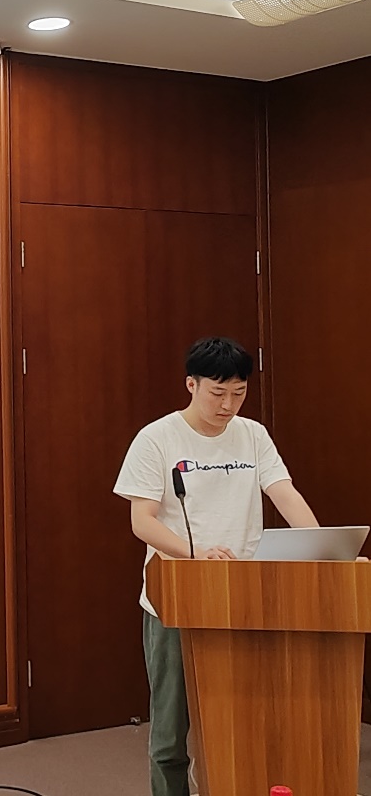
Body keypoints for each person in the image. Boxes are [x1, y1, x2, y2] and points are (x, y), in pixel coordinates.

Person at [113, 336, 318, 796]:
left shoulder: (253, 435)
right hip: (176, 599)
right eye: (218, 393)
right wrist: (197, 552)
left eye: (239, 393)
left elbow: (285, 494)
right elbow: (142, 522)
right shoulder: (157, 438)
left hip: (244, 596)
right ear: (192, 384)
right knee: (171, 733)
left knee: (244, 721)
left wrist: (322, 548)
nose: (228, 405)